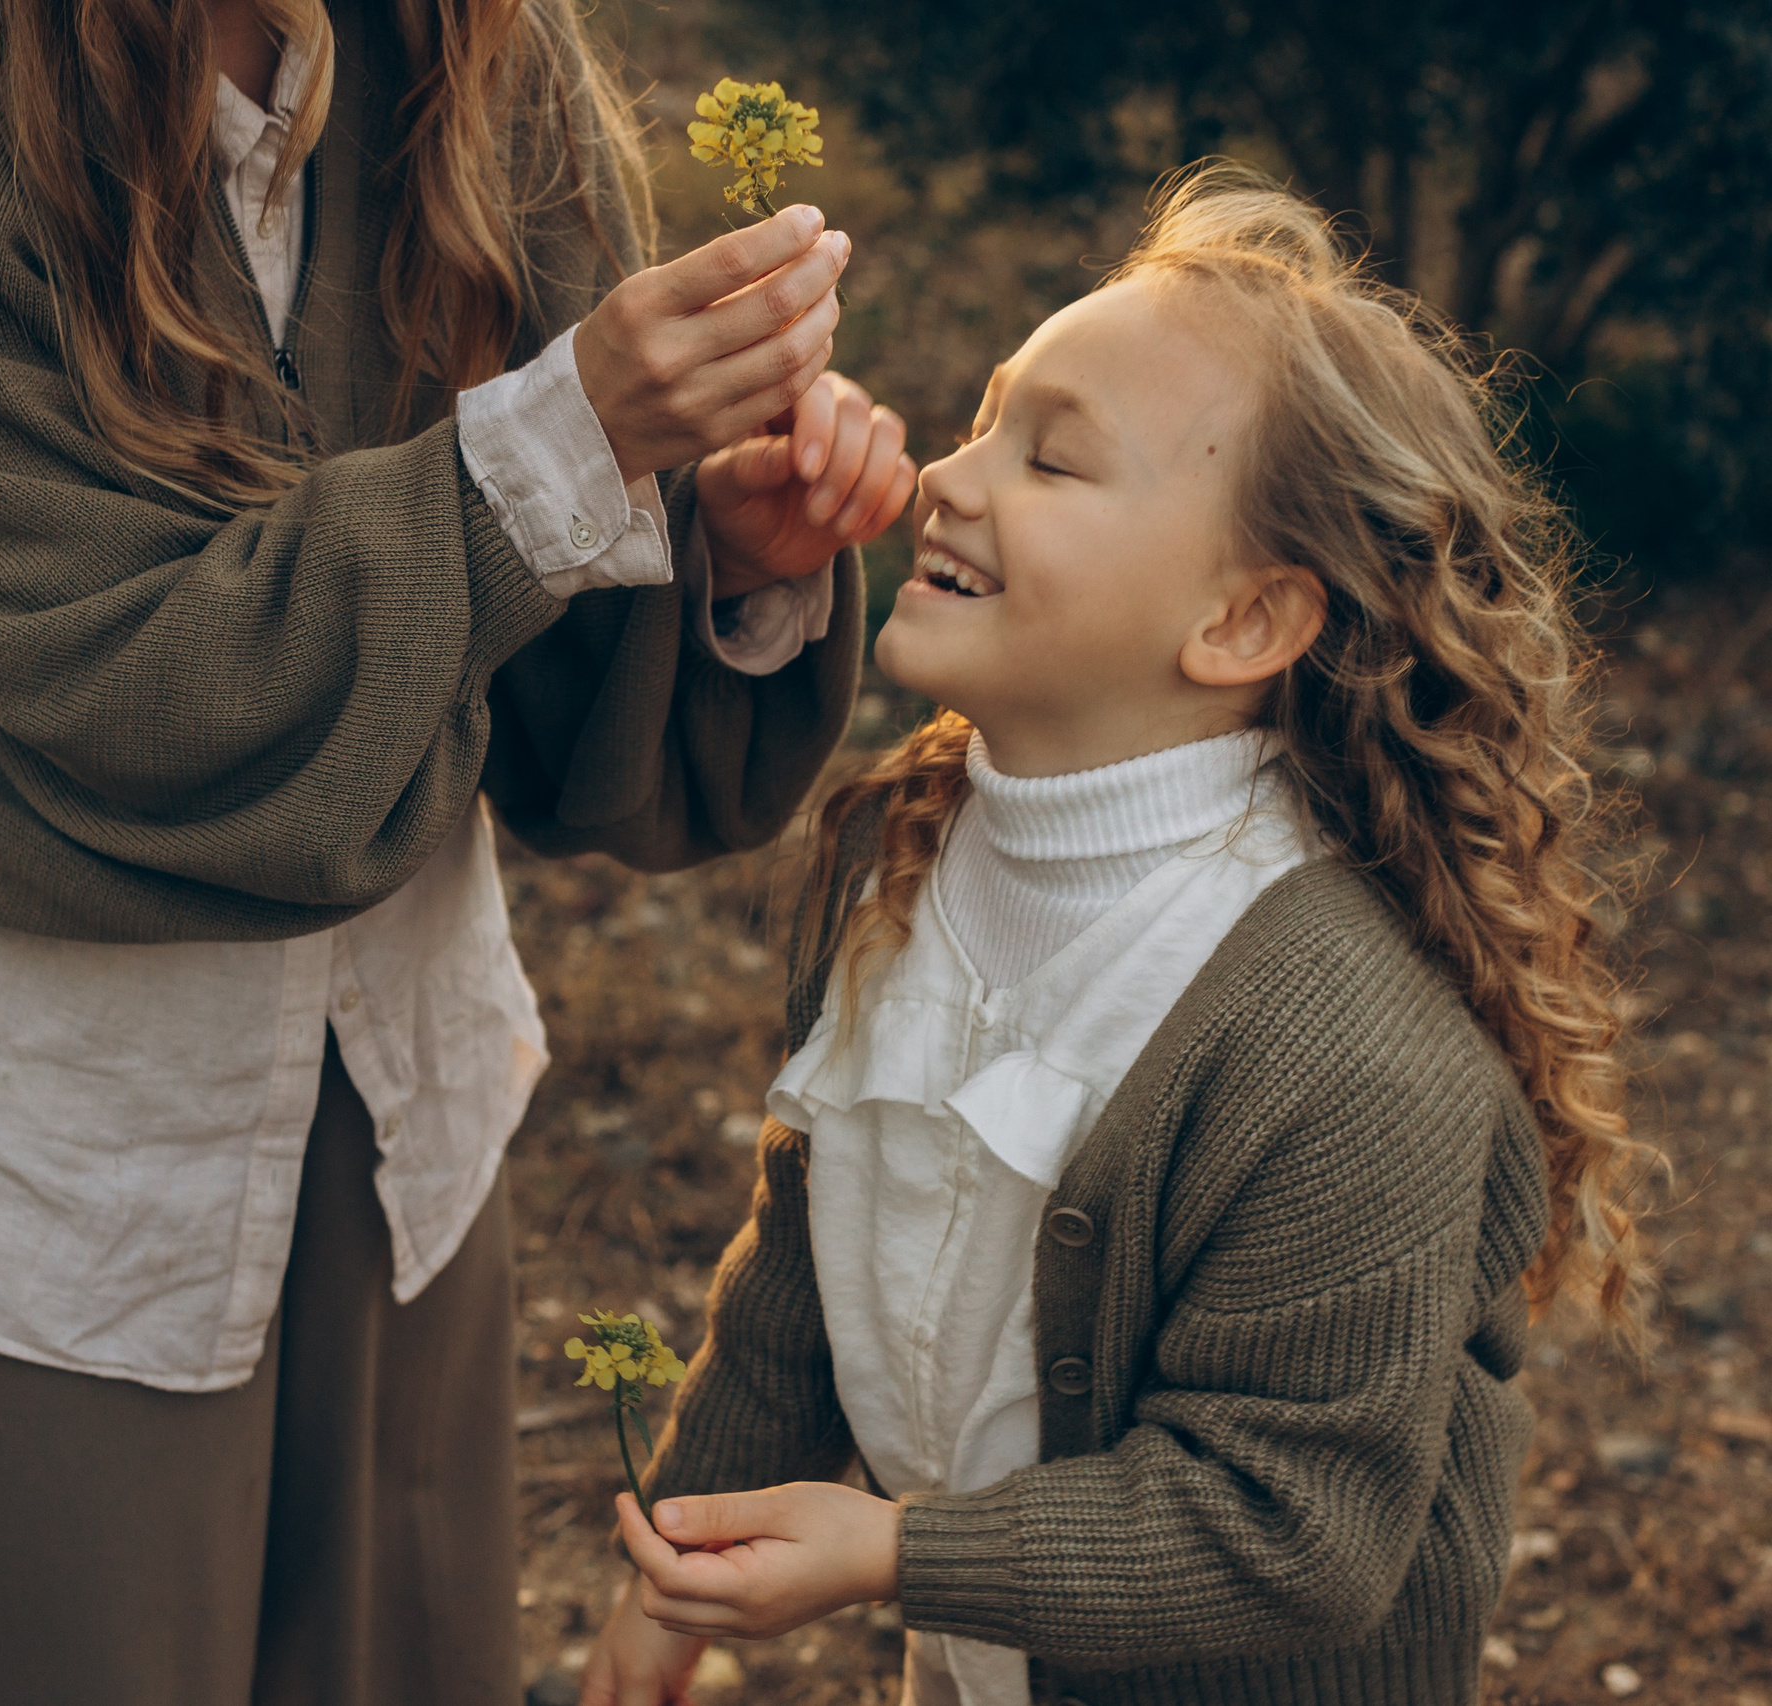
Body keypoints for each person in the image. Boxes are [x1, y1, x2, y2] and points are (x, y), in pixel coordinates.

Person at [0, 0, 918, 1701]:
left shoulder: (465, 62)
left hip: (395, 1120)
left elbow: (567, 718)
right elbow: (132, 699)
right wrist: (555, 445)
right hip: (38, 1173)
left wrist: (728, 558)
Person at [577, 164, 1647, 1706]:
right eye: (985, 422)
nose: (949, 475)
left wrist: (895, 1554)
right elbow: (801, 1282)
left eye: (1053, 462)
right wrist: (671, 1577)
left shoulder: (1346, 1047)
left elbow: (1294, 1525)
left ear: (1243, 624)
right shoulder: (913, 863)